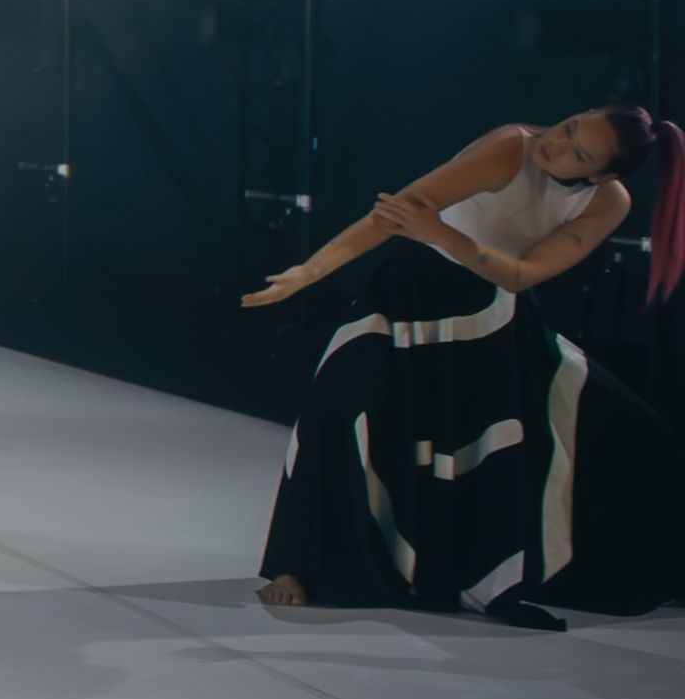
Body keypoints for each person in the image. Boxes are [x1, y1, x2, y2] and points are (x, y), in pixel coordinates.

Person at [248, 108, 685, 626]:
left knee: (635, 435)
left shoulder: (609, 202)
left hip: (495, 319)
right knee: (337, 406)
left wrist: (442, 234)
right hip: (410, 296)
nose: (558, 145)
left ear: (601, 176)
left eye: (579, 154)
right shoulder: (509, 147)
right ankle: (296, 566)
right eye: (569, 128)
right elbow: (393, 214)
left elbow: (523, 275)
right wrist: (308, 272)